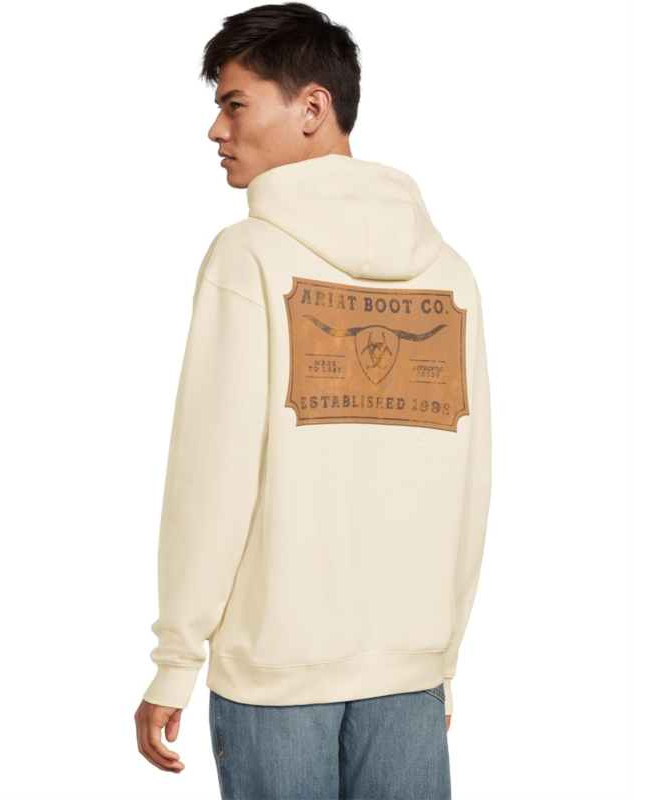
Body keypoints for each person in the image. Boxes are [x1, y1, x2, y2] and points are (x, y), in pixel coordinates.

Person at [134, 3, 492, 798]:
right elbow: (470, 485)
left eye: (234, 104)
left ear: (311, 107)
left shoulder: (249, 257)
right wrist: (441, 659)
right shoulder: (451, 276)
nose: (216, 130)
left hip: (275, 680)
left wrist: (175, 659)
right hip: (408, 672)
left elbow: (212, 477)